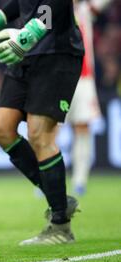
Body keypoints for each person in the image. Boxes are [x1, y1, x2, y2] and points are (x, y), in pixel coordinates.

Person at [0, 0, 84, 245]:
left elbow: (55, 5)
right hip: (25, 52)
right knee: (1, 129)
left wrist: (31, 32)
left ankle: (60, 225)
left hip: (56, 53)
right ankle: (60, 200)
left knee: (39, 135)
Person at [67, 0, 113, 196]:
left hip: (83, 80)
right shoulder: (49, 10)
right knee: (48, 130)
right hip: (56, 77)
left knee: (82, 127)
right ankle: (47, 182)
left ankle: (79, 180)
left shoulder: (84, 9)